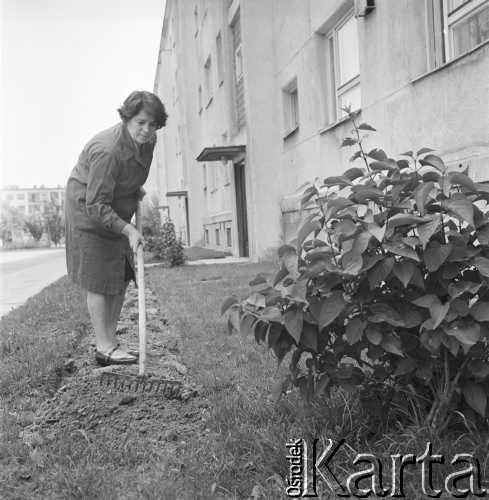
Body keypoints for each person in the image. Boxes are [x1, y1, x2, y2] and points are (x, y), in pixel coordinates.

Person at [65, 90, 168, 366]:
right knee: (99, 279)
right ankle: (104, 347)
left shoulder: (148, 140)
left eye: (153, 124)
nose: (147, 130)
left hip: (115, 205)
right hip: (89, 213)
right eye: (140, 123)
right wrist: (130, 230)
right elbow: (96, 205)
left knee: (120, 274)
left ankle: (111, 340)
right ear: (127, 118)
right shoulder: (107, 151)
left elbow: (131, 170)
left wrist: (134, 185)